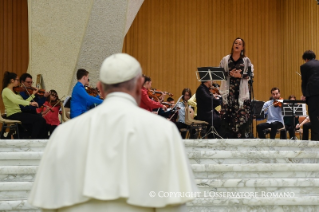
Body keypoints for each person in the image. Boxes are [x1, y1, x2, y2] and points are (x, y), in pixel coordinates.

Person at [28, 53, 197, 212]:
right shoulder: (165, 131)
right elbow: (174, 205)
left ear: (100, 88)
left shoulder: (62, 134)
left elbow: (48, 205)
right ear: (139, 87)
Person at [219, 37, 254, 138]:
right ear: (233, 45)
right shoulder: (225, 59)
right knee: (227, 117)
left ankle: (240, 139)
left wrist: (241, 76)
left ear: (242, 47)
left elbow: (251, 74)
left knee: (241, 117)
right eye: (235, 43)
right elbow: (219, 73)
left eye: (239, 43)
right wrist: (228, 74)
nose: (237, 45)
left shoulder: (246, 60)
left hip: (241, 92)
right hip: (228, 92)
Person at [1, 72, 46, 139]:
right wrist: (30, 103)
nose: (18, 82)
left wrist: (33, 95)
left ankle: (35, 139)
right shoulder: (6, 90)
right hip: (13, 114)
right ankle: (32, 140)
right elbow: (15, 100)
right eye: (17, 80)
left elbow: (23, 102)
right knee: (39, 120)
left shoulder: (14, 91)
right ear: (12, 80)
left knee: (41, 121)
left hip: (19, 113)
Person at [300, 50, 319, 141]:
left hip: (313, 93)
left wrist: (304, 94)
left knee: (313, 115)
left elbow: (304, 82)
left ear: (306, 59)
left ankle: (316, 139)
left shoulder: (305, 66)